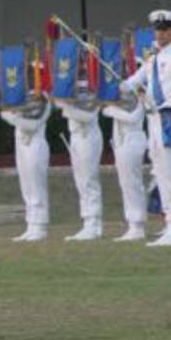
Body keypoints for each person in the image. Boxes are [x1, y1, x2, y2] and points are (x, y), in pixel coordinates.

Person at [121, 9, 171, 246]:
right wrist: (123, 84)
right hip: (155, 123)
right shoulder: (153, 59)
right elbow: (134, 82)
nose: (161, 34)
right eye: (158, 30)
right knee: (162, 175)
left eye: (165, 30)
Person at [0, 93, 51, 242]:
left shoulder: (40, 96)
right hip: (22, 142)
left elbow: (33, 124)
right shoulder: (19, 94)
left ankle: (40, 225)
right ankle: (31, 224)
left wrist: (9, 117)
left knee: (36, 185)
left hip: (35, 143)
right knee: (27, 186)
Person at [101, 91, 148, 241]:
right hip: (121, 141)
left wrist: (110, 110)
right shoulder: (121, 100)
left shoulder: (138, 97)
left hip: (132, 139)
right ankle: (132, 223)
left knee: (133, 183)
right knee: (126, 184)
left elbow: (133, 117)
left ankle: (137, 224)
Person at [59, 85, 103, 241]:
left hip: (87, 135)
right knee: (81, 182)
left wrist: (65, 108)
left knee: (89, 180)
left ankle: (93, 222)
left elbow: (88, 115)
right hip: (76, 135)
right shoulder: (70, 89)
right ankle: (88, 221)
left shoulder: (91, 88)